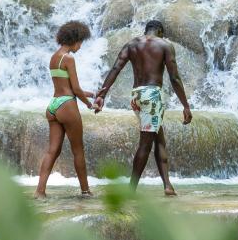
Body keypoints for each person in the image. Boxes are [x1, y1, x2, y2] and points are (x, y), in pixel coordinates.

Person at [93, 20, 192, 195]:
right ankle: (131, 190)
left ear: (146, 30)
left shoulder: (132, 44)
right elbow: (174, 77)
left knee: (158, 139)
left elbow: (116, 67)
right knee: (145, 144)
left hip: (136, 96)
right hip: (152, 95)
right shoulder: (164, 45)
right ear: (160, 31)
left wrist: (102, 94)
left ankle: (167, 185)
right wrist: (185, 105)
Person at [34, 21, 98, 199]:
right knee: (78, 150)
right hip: (67, 106)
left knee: (52, 150)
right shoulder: (69, 58)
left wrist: (91, 94)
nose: (80, 46)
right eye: (81, 42)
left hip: (54, 105)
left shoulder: (54, 57)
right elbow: (75, 90)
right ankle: (85, 191)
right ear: (75, 39)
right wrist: (89, 104)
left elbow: (65, 86)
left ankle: (39, 191)